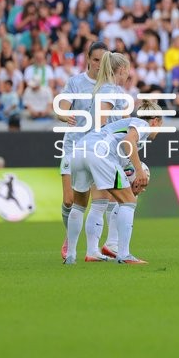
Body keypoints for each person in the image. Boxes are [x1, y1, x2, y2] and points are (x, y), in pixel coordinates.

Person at [65, 102, 164, 265]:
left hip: (79, 152)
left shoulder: (123, 125)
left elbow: (121, 162)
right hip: (100, 154)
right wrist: (139, 172)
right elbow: (128, 142)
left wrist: (131, 182)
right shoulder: (142, 124)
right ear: (155, 121)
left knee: (81, 205)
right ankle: (124, 254)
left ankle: (74, 255)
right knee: (129, 201)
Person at [55, 41, 107, 259]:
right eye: (95, 60)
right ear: (88, 59)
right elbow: (62, 107)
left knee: (100, 200)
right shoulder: (76, 82)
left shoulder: (110, 86)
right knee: (70, 200)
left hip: (97, 150)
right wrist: (65, 115)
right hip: (74, 147)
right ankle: (70, 236)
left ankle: (92, 249)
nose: (98, 65)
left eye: (103, 61)